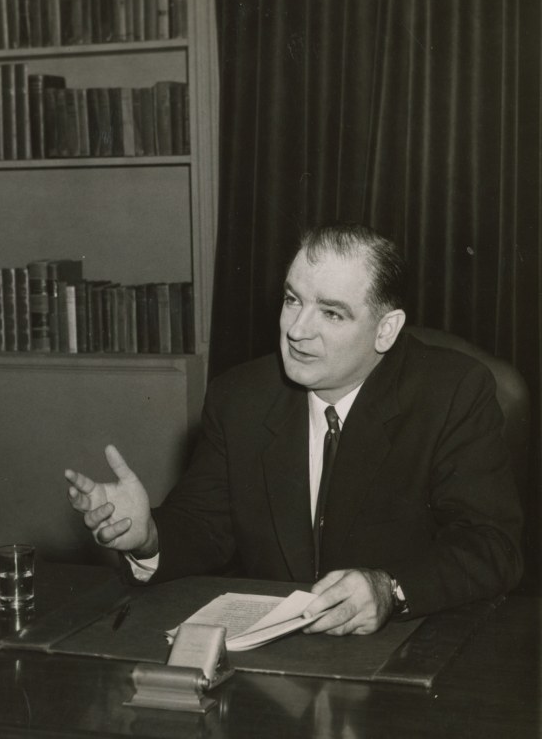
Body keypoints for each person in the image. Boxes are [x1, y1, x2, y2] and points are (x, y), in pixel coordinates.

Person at [65, 223, 523, 636]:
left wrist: (392, 589)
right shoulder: (239, 397)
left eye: (331, 313)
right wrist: (148, 535)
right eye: (292, 300)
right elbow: (205, 525)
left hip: (405, 648)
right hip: (272, 662)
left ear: (386, 330)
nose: (297, 330)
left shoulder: (451, 393)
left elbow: (491, 545)